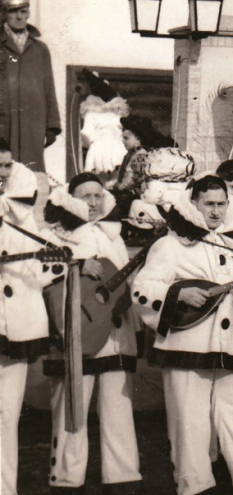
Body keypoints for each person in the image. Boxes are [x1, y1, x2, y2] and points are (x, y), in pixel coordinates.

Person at [131, 175, 233, 495]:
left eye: (221, 203)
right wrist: (177, 295)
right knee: (189, 421)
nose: (215, 211)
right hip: (188, 343)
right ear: (193, 203)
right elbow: (142, 289)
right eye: (208, 204)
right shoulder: (171, 244)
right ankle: (195, 485)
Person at [41, 173, 144, 494]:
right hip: (76, 330)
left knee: (118, 407)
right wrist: (76, 266)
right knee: (72, 408)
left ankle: (123, 477)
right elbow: (43, 275)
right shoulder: (58, 236)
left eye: (98, 195)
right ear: (71, 199)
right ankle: (68, 478)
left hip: (113, 332)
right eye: (85, 196)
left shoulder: (114, 236)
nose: (94, 202)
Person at [0, 139, 65, 495]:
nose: (2, 173)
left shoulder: (23, 214)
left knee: (7, 416)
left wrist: (56, 260)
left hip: (18, 328)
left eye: (7, 165)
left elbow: (44, 269)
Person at [0, 0, 60, 172]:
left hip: (32, 124)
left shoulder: (40, 49)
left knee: (31, 175)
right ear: (5, 13)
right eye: (13, 11)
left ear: (28, 13)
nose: (19, 16)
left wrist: (52, 126)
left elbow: (49, 87)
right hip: (4, 122)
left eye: (23, 11)